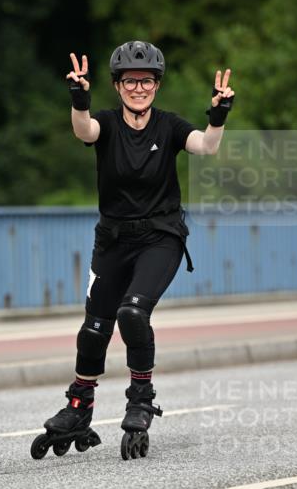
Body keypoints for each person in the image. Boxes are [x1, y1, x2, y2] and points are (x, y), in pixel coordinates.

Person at [32, 39, 235, 461]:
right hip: (113, 239)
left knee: (132, 313)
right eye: (129, 81)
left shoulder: (169, 126)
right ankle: (78, 407)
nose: (138, 88)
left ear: (156, 86)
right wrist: (79, 101)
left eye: (145, 81)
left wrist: (217, 116)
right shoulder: (105, 122)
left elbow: (206, 146)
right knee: (94, 327)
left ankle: (140, 398)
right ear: (117, 85)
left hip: (160, 237)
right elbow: (83, 130)